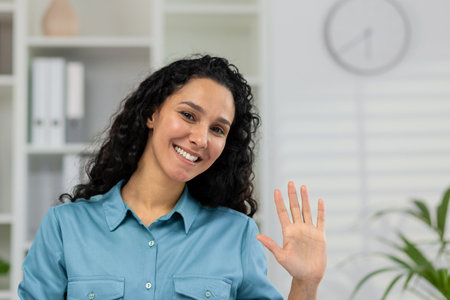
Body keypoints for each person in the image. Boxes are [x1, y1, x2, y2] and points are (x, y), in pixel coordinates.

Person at [18, 55, 326, 299]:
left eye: (217, 129)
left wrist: (306, 283)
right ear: (152, 114)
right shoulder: (65, 227)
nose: (200, 138)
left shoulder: (237, 235)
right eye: (188, 115)